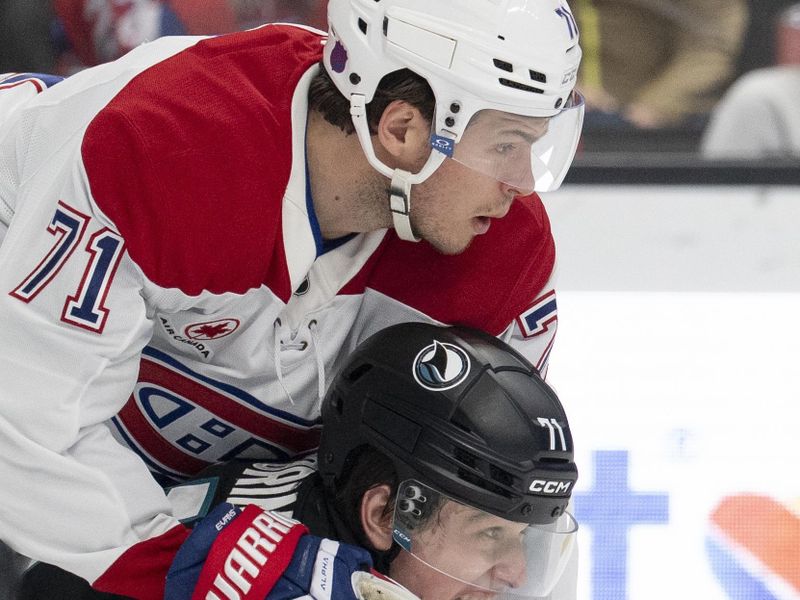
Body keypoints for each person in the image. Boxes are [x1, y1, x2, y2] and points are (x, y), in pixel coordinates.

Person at [0, 0, 583, 597]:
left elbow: (462, 515)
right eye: (507, 145)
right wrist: (204, 571)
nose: (524, 184)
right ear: (403, 130)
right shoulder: (169, 149)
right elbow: (22, 442)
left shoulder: (504, 259)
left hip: (133, 473)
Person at [19, 323, 580, 600]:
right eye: (488, 535)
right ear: (385, 515)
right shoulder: (223, 563)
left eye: (524, 538)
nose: (517, 575)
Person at [572, 0, 748, 129]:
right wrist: (563, 87)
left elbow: (709, 45)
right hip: (565, 107)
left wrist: (657, 103)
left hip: (647, 120)